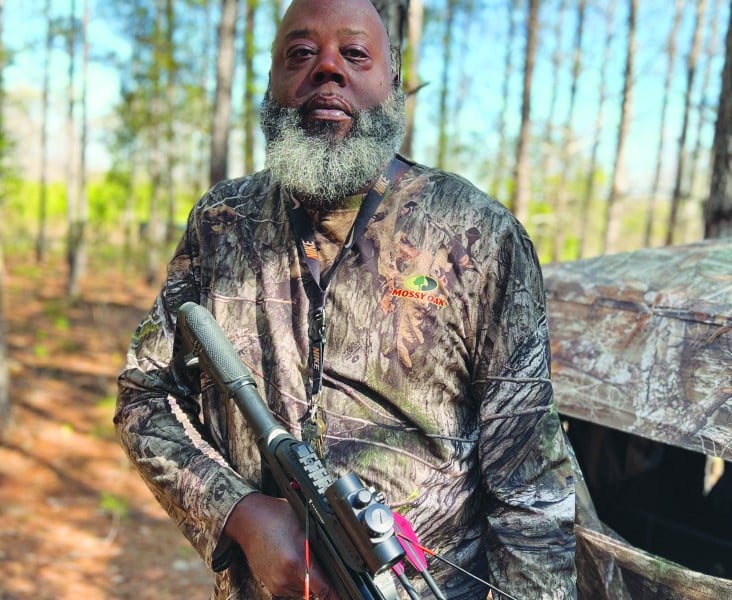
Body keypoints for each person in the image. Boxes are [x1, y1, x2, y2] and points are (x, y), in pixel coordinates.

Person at [114, 0, 577, 597]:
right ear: (273, 83)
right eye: (301, 53)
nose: (327, 68)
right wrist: (242, 515)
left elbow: (532, 496)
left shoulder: (480, 238)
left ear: (392, 83)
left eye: (355, 54)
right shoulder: (221, 224)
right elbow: (144, 396)